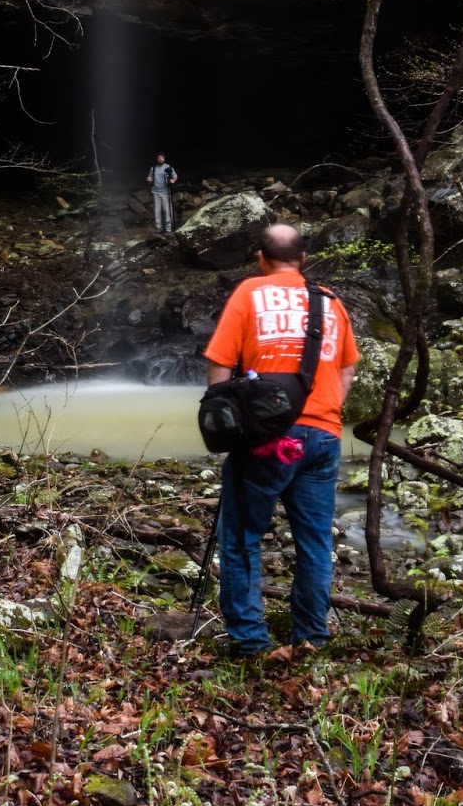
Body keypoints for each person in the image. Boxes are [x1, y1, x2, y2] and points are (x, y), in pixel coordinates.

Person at [203, 223, 358, 657]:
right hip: (323, 436)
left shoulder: (250, 293)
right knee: (314, 541)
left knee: (240, 537)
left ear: (260, 258)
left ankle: (251, 643)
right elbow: (347, 368)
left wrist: (223, 421)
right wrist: (326, 411)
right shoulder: (329, 301)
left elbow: (219, 363)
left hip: (265, 439)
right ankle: (310, 637)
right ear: (303, 259)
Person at [147, 152, 178, 233]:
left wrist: (173, 180)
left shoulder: (168, 167)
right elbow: (150, 177)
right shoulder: (153, 168)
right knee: (157, 210)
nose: (160, 159)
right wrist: (149, 178)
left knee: (167, 210)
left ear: (164, 159)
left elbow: (175, 176)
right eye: (159, 158)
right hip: (155, 191)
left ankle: (168, 228)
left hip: (165, 191)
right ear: (157, 159)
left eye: (162, 157)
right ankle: (159, 228)